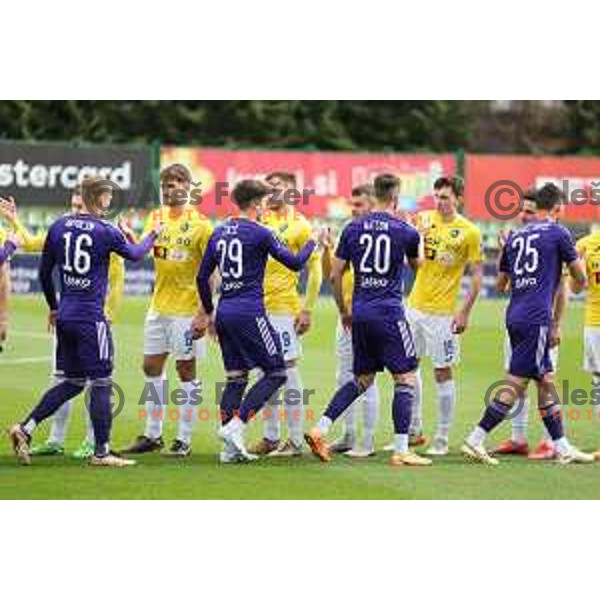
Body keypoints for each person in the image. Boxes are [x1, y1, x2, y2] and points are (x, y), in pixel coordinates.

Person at [8, 176, 161, 467]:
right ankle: (102, 452)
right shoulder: (106, 231)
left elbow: (43, 274)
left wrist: (54, 307)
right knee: (102, 380)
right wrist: (152, 233)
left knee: (74, 381)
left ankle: (25, 427)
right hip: (92, 318)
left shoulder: (59, 226)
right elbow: (137, 255)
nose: (109, 200)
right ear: (100, 198)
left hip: (66, 314)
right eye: (107, 196)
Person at [304, 173, 431, 467]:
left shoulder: (352, 228)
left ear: (375, 196)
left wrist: (344, 311)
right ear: (396, 198)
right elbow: (418, 266)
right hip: (389, 312)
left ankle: (319, 428)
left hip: (359, 312)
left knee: (361, 379)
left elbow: (334, 275)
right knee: (406, 377)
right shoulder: (406, 230)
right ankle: (401, 448)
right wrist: (419, 236)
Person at [462, 183, 594, 465]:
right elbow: (579, 279)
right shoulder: (559, 232)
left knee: (545, 380)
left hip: (515, 315)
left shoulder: (515, 236)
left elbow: (501, 284)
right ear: (557, 208)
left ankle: (562, 446)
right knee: (517, 383)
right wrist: (577, 277)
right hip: (537, 317)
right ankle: (475, 437)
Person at [193, 179, 316, 463]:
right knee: (276, 372)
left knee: (235, 378)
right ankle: (236, 428)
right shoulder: (262, 231)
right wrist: (313, 242)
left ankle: (228, 451)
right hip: (251, 312)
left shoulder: (219, 231)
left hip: (224, 312)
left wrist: (209, 311)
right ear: (257, 204)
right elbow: (296, 263)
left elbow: (202, 277)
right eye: (263, 202)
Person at [0, 191, 126, 459]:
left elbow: (117, 280)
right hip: (81, 316)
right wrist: (15, 221)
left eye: (80, 204)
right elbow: (34, 243)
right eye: (72, 204)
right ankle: (63, 441)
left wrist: (109, 313)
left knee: (82, 381)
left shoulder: (97, 233)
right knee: (80, 379)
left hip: (78, 315)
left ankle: (89, 440)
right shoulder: (85, 230)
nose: (75, 209)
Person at [123, 164, 213, 457]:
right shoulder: (156, 216)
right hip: (158, 306)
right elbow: (144, 252)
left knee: (186, 369)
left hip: (187, 311)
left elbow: (213, 273)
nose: (169, 188)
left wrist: (204, 311)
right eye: (165, 183)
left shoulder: (201, 224)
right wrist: (130, 239)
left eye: (176, 182)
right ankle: (152, 434)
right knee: (150, 366)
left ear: (188, 186)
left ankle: (184, 439)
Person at [399, 176, 483, 456]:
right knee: (407, 368)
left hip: (443, 315)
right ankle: (414, 430)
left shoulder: (469, 231)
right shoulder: (422, 220)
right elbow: (411, 260)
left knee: (442, 372)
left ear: (458, 198)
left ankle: (443, 438)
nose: (439, 201)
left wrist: (464, 312)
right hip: (414, 308)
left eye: (445, 196)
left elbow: (477, 275)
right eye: (437, 195)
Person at [251, 171, 322, 457]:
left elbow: (315, 270)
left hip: (283, 308)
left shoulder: (300, 225)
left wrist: (308, 308)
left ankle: (293, 440)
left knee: (288, 371)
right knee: (264, 372)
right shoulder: (260, 221)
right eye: (269, 188)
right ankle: (270, 437)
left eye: (278, 187)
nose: (272, 192)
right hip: (256, 308)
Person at [492, 191, 566, 459]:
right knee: (516, 375)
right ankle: (518, 438)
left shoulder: (554, 239)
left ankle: (551, 442)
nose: (524, 215)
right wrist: (503, 250)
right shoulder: (518, 241)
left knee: (544, 380)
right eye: (522, 210)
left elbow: (563, 289)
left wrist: (556, 326)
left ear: (544, 212)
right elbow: (501, 286)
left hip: (542, 321)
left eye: (530, 211)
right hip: (519, 318)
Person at [323, 185, 380, 458]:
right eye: (352, 204)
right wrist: (325, 251)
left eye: (359, 204)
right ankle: (347, 434)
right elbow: (331, 275)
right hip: (345, 315)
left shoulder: (380, 233)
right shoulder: (349, 231)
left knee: (367, 379)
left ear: (373, 204)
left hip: (368, 315)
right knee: (343, 376)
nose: (354, 209)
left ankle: (367, 442)